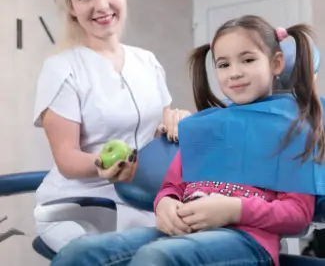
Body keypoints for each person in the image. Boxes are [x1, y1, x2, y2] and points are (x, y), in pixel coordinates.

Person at [49, 15, 323, 266]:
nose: (235, 72)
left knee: (155, 257)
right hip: (184, 233)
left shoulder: (292, 129)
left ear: (276, 63)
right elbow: (172, 187)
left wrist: (232, 209)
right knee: (79, 253)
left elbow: (297, 214)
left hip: (249, 242)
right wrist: (164, 204)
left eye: (248, 60)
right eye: (224, 64)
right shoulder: (207, 127)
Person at [33, 0, 190, 253]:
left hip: (142, 200)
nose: (101, 5)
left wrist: (175, 121)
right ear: (72, 7)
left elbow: (159, 130)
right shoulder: (62, 69)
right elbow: (66, 157)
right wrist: (102, 164)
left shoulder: (148, 62)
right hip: (77, 206)